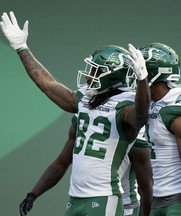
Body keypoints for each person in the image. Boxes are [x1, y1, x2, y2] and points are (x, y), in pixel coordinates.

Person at [0, 11, 151, 216]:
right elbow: (48, 85)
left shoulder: (125, 105)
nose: (89, 75)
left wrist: (143, 80)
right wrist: (21, 48)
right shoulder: (86, 101)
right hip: (75, 198)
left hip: (104, 196)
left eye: (95, 70)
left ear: (112, 76)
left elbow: (140, 117)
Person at [19, 118, 152, 216]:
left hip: (123, 204)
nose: (89, 80)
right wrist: (33, 194)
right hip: (80, 199)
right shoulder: (84, 116)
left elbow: (146, 184)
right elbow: (61, 163)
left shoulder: (128, 120)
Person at [135, 42, 181, 216]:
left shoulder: (177, 104)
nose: (134, 76)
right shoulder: (150, 104)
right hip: (157, 196)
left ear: (152, 72)